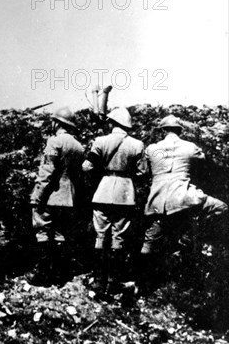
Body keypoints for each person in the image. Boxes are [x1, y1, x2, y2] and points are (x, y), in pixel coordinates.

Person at [140, 115, 228, 255]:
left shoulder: (151, 149)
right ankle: (196, 236)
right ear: (180, 131)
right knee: (221, 207)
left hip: (157, 201)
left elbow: (144, 171)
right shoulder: (190, 147)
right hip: (183, 197)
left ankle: (142, 267)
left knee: (153, 235)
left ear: (163, 131)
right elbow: (203, 163)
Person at [82, 107, 146, 289]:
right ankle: (113, 280)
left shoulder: (101, 141)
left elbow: (87, 167)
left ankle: (98, 280)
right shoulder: (137, 144)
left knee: (100, 235)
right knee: (119, 237)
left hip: (103, 190)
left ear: (113, 123)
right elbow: (142, 172)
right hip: (125, 194)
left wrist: (101, 177)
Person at [30, 107, 85, 277]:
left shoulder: (55, 141)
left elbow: (47, 171)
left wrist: (37, 195)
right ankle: (60, 272)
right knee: (61, 233)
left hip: (50, 195)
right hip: (69, 197)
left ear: (56, 123)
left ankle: (42, 274)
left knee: (42, 230)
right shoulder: (79, 146)